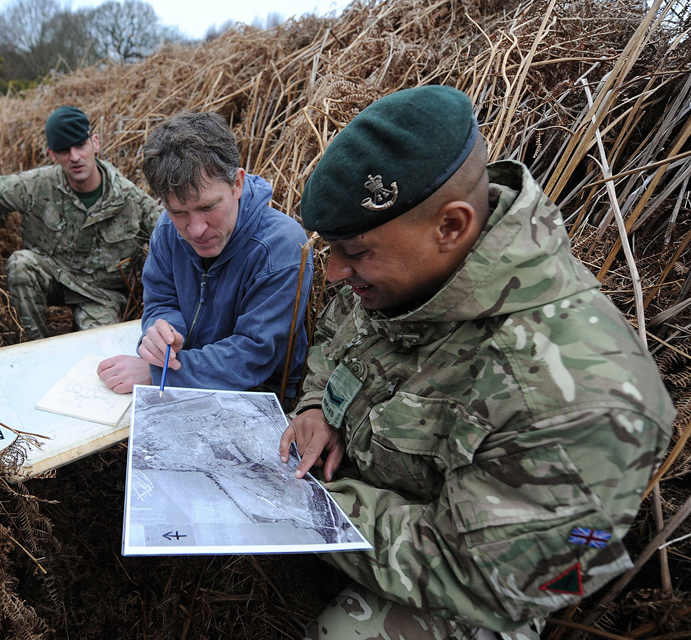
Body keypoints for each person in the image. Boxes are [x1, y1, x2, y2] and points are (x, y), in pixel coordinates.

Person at [278, 85, 675, 639]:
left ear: (452, 226)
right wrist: (319, 405)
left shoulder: (579, 394)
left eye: (355, 251)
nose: (334, 273)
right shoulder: (393, 275)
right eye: (332, 249)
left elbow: (484, 581)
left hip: (473, 590)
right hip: (369, 517)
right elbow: (333, 341)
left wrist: (309, 505)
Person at [96, 112, 313, 396]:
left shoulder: (282, 248)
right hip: (184, 376)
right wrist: (165, 334)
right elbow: (161, 301)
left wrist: (158, 373)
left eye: (209, 207)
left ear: (237, 183)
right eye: (178, 212)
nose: (196, 230)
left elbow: (253, 355)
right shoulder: (166, 229)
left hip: (259, 393)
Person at [0, 97, 162, 339]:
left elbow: (173, 234)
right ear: (53, 155)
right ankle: (35, 349)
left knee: (96, 351)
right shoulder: (37, 185)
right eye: (64, 150)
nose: (74, 157)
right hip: (52, 278)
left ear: (94, 143)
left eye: (80, 146)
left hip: (100, 295)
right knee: (22, 264)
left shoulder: (131, 198)